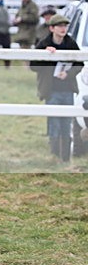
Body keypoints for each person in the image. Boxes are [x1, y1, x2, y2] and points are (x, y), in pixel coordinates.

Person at [30, 14, 83, 161]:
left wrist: (68, 74)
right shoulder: (43, 43)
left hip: (67, 89)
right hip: (51, 90)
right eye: (60, 26)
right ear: (52, 28)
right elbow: (33, 66)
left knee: (67, 125)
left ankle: (65, 158)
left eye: (65, 26)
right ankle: (55, 157)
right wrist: (46, 56)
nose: (63, 29)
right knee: (54, 125)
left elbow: (80, 63)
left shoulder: (71, 43)